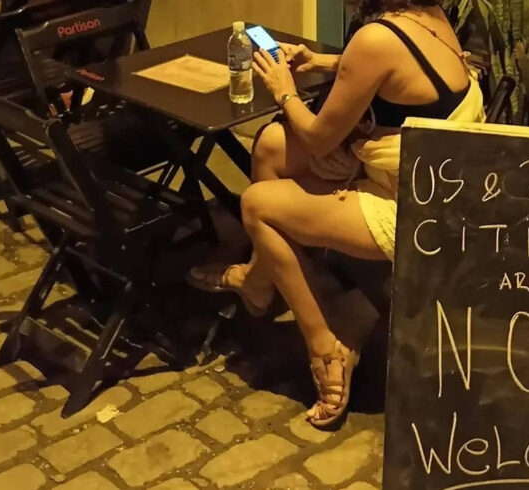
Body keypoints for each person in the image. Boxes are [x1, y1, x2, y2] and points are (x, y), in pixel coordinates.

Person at [188, 0, 485, 428]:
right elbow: (395, 68)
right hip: (430, 179)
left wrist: (284, 90)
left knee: (256, 205)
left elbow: (317, 139)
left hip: (413, 211)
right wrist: (321, 61)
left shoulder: (375, 39)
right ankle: (260, 280)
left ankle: (324, 347)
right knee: (271, 146)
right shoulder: (430, 15)